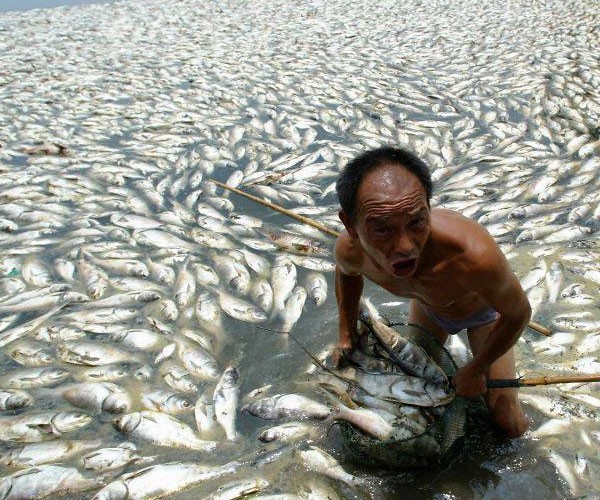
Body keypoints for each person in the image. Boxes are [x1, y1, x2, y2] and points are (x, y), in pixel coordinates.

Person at [334, 146, 530, 438]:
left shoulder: (473, 257)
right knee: (421, 397)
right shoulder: (350, 252)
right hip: (429, 310)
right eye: (382, 229)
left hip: (483, 316)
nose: (405, 246)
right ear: (350, 224)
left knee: (508, 423)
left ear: (428, 206)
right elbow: (346, 275)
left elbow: (519, 313)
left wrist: (477, 368)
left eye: (416, 222)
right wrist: (346, 333)